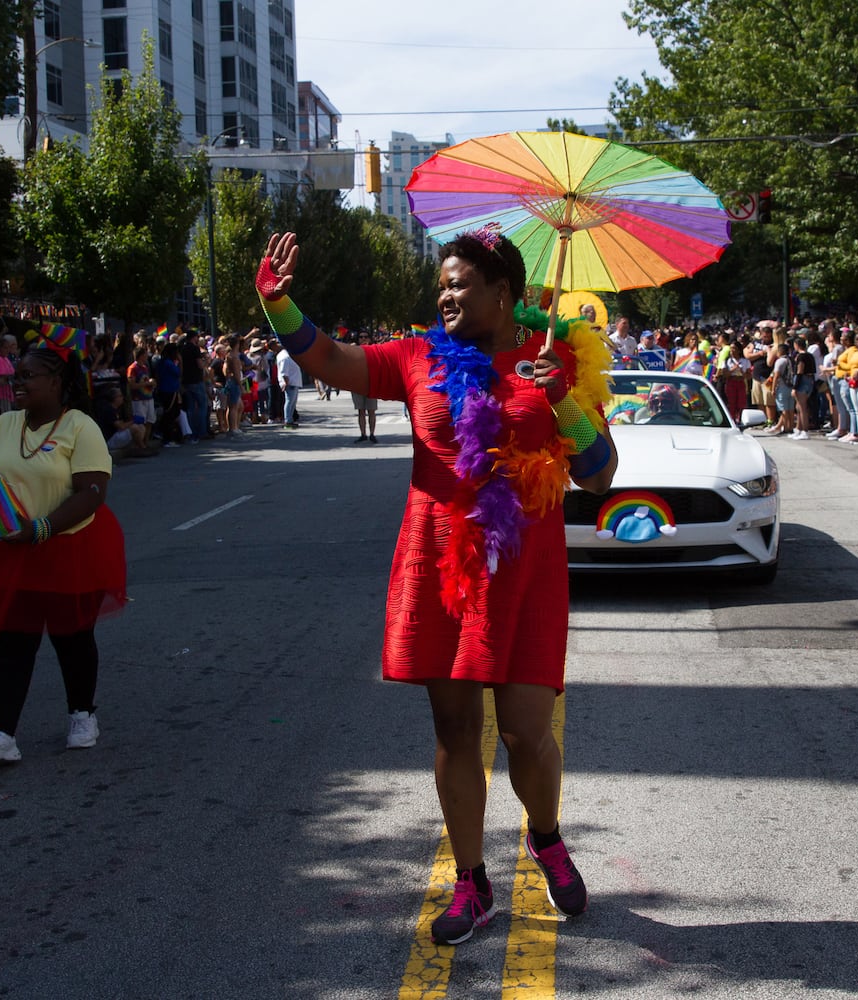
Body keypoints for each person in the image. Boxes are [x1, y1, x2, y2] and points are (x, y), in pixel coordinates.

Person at [254, 225, 617, 946]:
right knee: (455, 731)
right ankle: (473, 883)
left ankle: (545, 836)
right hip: (442, 567)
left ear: (504, 293)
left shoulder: (559, 360)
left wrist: (565, 403)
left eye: (459, 284)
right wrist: (278, 304)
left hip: (523, 570)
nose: (446, 295)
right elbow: (330, 359)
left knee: (524, 732)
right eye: (442, 285)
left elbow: (600, 474)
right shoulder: (418, 356)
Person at [0, 341, 128, 763]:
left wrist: (42, 527)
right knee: (11, 639)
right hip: (11, 548)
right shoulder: (6, 423)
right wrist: (3, 509)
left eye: (28, 375)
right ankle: (2, 733)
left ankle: (83, 713)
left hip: (68, 545)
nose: (18, 382)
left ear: (56, 381)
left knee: (73, 636)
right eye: (17, 376)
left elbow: (92, 491)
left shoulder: (79, 426)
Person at [351, 333, 379, 442]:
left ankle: (372, 434)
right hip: (357, 385)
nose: (363, 339)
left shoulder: (374, 350)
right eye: (361, 337)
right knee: (360, 411)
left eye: (365, 337)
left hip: (371, 385)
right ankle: (363, 434)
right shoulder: (354, 350)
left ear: (369, 339)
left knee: (371, 410)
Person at [276, 337, 303, 428]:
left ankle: (290, 419)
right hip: (290, 383)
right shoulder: (285, 357)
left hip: (293, 382)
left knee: (292, 402)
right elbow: (284, 372)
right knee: (289, 402)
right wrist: (286, 383)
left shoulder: (288, 355)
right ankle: (287, 420)